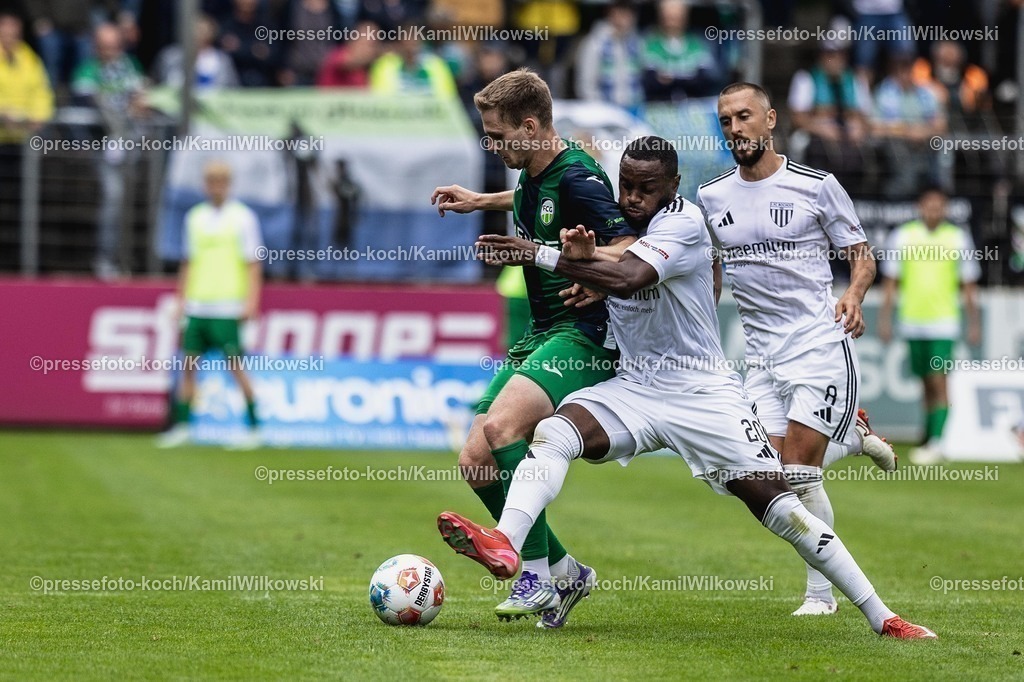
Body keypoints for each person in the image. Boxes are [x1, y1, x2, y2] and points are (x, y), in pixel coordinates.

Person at [438, 135, 936, 640]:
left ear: (673, 185)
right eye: (626, 185)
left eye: (647, 188)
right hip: (635, 387)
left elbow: (630, 276)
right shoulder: (612, 224)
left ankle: (883, 616)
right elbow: (572, 225)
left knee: (781, 505)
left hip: (701, 394)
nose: (633, 198)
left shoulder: (683, 221)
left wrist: (541, 255)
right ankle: (506, 542)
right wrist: (576, 259)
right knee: (555, 433)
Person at [429, 68, 636, 626]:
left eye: (498, 136)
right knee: (475, 462)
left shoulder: (580, 178)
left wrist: (594, 274)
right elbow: (530, 196)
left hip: (583, 335)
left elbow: (632, 247)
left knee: (502, 430)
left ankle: (536, 578)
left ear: (529, 126)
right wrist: (479, 200)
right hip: (540, 332)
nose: (492, 146)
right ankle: (567, 574)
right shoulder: (535, 173)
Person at [697, 82, 896, 617]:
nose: (735, 128)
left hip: (816, 342)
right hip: (761, 356)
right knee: (758, 477)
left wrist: (854, 296)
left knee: (801, 476)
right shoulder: (712, 197)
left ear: (770, 120)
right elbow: (710, 270)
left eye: (744, 116)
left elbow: (862, 255)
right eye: (726, 120)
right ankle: (853, 438)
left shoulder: (816, 185)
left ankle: (820, 595)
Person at [157, 161, 264, 450]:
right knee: (189, 365)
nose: (216, 186)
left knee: (236, 366)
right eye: (211, 181)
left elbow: (253, 263)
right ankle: (183, 426)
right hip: (198, 305)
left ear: (228, 183)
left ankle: (254, 428)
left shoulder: (243, 218)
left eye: (221, 180)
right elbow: (188, 262)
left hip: (227, 306)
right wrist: (181, 300)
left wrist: (251, 302)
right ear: (205, 184)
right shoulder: (195, 217)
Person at [878, 185, 981, 464]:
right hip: (912, 321)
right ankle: (928, 436)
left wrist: (974, 322)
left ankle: (938, 441)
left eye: (939, 206)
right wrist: (885, 319)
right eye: (929, 205)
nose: (934, 210)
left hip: (943, 323)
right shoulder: (903, 235)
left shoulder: (958, 237)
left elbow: (969, 284)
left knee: (939, 380)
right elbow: (890, 281)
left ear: (945, 209)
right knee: (925, 382)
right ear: (920, 207)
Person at [71, 22, 147, 280]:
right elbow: (88, 101)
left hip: (134, 144)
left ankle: (128, 257)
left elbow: (143, 97)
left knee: (130, 200)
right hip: (103, 145)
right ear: (96, 47)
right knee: (114, 197)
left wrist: (137, 105)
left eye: (115, 46)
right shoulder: (87, 69)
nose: (110, 52)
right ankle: (106, 258)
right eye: (105, 47)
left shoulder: (131, 66)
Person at [0, 10, 54, 269]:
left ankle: (20, 259)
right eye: (5, 31)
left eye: (14, 32)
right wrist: (3, 113)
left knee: (23, 205)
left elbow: (42, 92)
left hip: (22, 143)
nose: (10, 36)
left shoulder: (28, 58)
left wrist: (38, 117)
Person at [872, 56, 947, 199]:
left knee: (943, 145)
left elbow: (941, 125)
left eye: (909, 71)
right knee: (900, 152)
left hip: (925, 141)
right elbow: (875, 128)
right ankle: (900, 197)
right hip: (895, 143)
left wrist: (923, 132)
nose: (906, 76)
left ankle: (940, 193)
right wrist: (907, 132)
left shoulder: (927, 93)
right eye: (902, 71)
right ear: (895, 73)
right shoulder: (883, 93)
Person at [640, 0, 720, 102]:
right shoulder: (649, 43)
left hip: (693, 104)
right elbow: (651, 82)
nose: (672, 21)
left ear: (685, 17)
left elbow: (704, 81)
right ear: (660, 17)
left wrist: (669, 80)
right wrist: (688, 78)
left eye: (677, 17)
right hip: (660, 104)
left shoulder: (697, 43)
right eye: (669, 17)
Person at [574, 0, 644, 116]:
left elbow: (641, 79)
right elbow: (585, 85)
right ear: (610, 13)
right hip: (604, 113)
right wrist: (601, 111)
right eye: (620, 12)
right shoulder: (595, 42)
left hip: (634, 112)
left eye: (628, 13)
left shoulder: (637, 42)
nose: (624, 18)